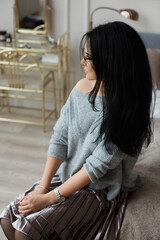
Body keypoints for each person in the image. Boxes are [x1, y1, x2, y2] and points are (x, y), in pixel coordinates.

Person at [0, 21, 153, 240]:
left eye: (88, 57)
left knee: (25, 232)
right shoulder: (81, 88)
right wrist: (42, 188)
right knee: (8, 219)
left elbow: (95, 168)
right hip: (67, 175)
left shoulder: (129, 112)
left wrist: (49, 199)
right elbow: (60, 137)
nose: (82, 61)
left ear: (110, 61)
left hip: (99, 188)